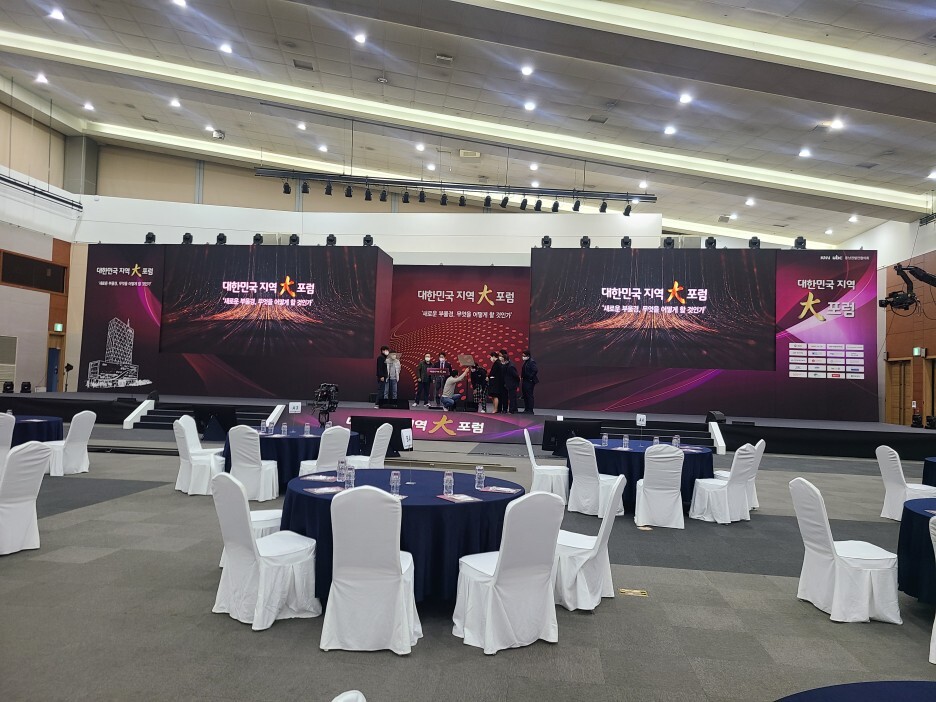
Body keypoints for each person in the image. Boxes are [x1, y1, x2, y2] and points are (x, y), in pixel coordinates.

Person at [501, 349, 520, 414]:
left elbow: (516, 376)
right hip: (508, 384)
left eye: (503, 360)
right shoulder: (505, 365)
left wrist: (516, 383)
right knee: (512, 397)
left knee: (512, 398)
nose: (502, 361)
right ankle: (514, 409)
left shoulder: (511, 366)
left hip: (512, 384)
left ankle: (512, 410)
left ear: (506, 360)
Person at [521, 349, 538, 414]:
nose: (523, 357)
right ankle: (526, 409)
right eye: (522, 355)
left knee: (529, 395)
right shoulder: (525, 362)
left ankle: (530, 410)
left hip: (529, 381)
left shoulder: (531, 362)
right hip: (525, 380)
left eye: (524, 355)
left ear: (528, 355)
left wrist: (530, 377)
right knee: (525, 395)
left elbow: (535, 370)